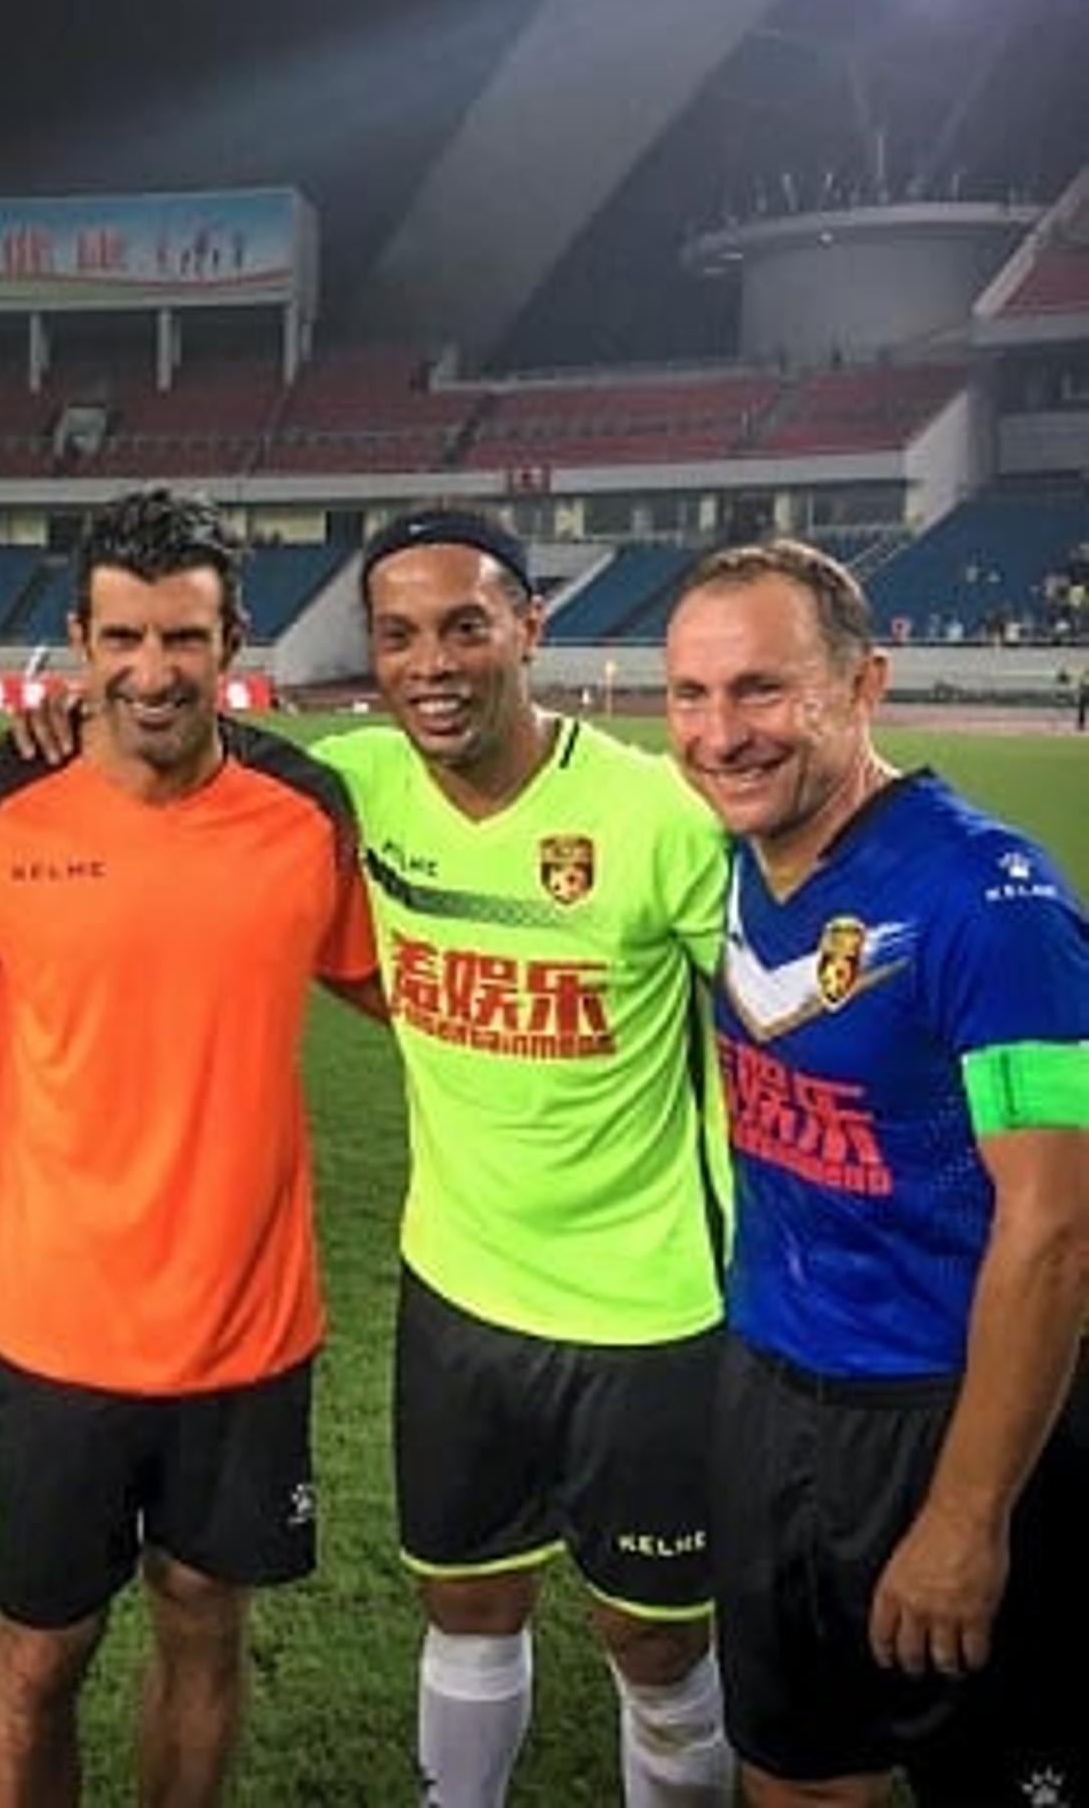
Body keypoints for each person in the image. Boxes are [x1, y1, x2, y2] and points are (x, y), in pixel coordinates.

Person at [0, 487, 379, 1806]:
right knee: (38, 1656)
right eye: (124, 639)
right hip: (54, 1332)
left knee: (201, 1619)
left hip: (247, 1328)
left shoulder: (308, 812)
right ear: (80, 637)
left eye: (184, 640)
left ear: (233, 642)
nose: (153, 673)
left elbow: (415, 991)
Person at [310, 504, 736, 1807]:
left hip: (650, 1304)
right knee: (465, 1596)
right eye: (399, 635)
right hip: (456, 1289)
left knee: (653, 1635)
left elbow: (784, 1018)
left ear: (529, 630)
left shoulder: (656, 813)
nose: (431, 662)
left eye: (465, 627)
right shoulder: (361, 784)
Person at [663, 537, 1088, 1807]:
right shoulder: (740, 856)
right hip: (774, 1398)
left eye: (763, 691)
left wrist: (967, 1516)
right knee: (792, 1770)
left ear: (862, 687)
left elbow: (1059, 1228)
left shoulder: (994, 904)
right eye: (692, 694)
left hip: (955, 1415)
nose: (720, 734)